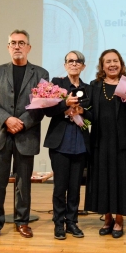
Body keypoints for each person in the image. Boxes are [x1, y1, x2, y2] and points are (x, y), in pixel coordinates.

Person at [0, 29, 49, 243]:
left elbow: (42, 105)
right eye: (13, 43)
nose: (17, 46)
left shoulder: (40, 73)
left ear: (29, 47)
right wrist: (7, 120)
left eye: (21, 42)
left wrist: (22, 122)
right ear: (8, 47)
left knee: (23, 183)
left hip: (26, 135)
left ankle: (22, 221)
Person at [84, 49, 126, 238]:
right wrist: (79, 113)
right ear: (102, 65)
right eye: (108, 61)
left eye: (115, 61)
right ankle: (107, 218)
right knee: (103, 181)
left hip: (122, 142)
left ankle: (119, 220)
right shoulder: (95, 86)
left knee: (121, 181)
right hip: (100, 141)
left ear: (121, 64)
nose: (112, 64)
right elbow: (89, 114)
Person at [43, 50, 92, 240]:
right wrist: (65, 107)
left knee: (75, 187)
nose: (74, 63)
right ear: (65, 65)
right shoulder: (57, 84)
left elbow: (91, 118)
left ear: (83, 66)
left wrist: (81, 112)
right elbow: (48, 111)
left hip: (80, 143)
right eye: (70, 61)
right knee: (60, 186)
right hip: (60, 143)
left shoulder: (89, 89)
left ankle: (72, 222)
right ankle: (58, 223)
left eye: (78, 61)